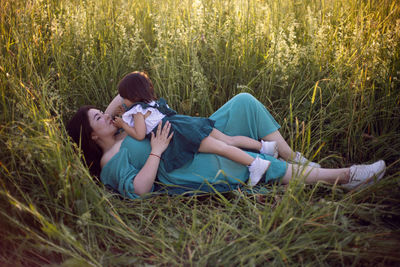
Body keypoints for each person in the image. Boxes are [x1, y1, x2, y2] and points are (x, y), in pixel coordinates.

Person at [66, 93, 386, 199]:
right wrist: (156, 150)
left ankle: (298, 161)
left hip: (196, 134)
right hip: (182, 163)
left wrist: (107, 115)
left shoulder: (121, 130)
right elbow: (139, 190)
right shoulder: (110, 162)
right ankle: (346, 177)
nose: (108, 116)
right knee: (246, 160)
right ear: (91, 136)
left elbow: (125, 94)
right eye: (98, 118)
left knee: (243, 103)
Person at [113, 71, 283, 186]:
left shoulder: (137, 111)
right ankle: (263, 147)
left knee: (222, 149)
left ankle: (255, 164)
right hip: (186, 123)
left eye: (124, 98)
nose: (123, 101)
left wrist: (123, 125)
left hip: (179, 135)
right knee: (228, 140)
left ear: (133, 97)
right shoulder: (151, 103)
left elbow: (140, 134)